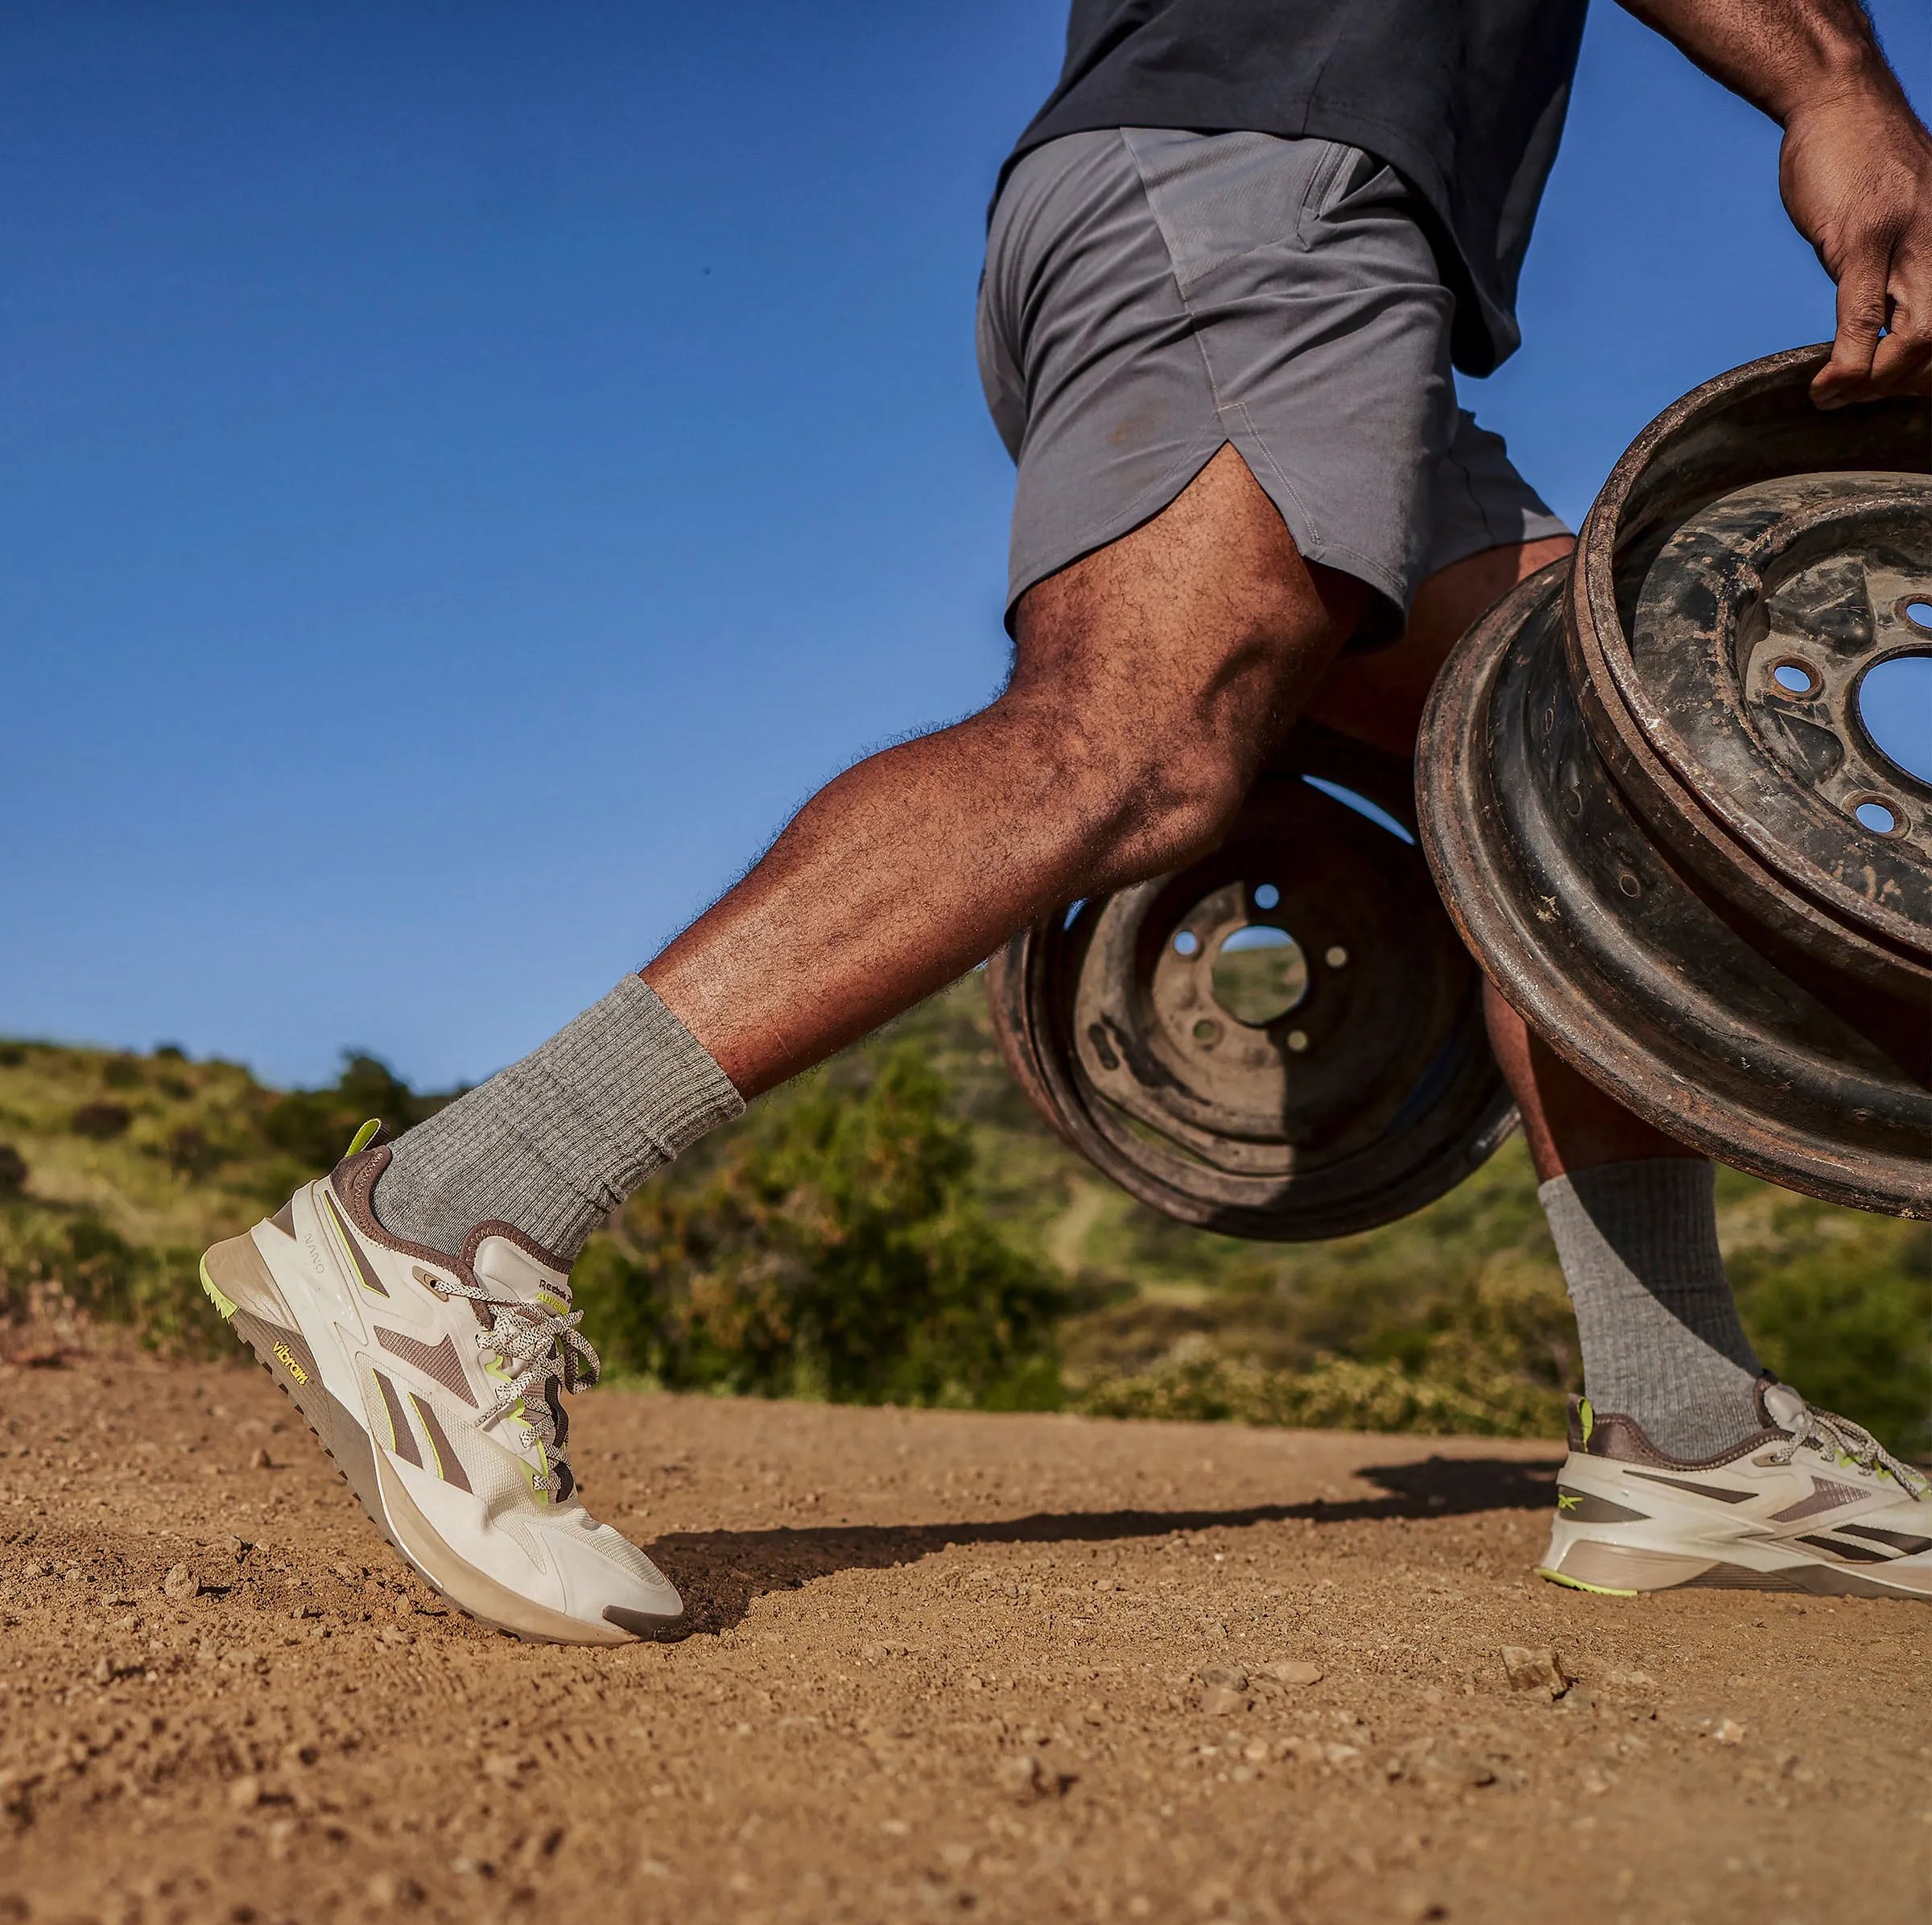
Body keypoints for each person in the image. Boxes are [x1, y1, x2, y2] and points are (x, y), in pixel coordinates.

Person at [200, 0, 1932, 1641]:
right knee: (1135, 739)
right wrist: (1831, 78)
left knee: (1594, 777)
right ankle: (448, 1215)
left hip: (1272, 198)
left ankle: (1687, 1430)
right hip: (1265, 173)